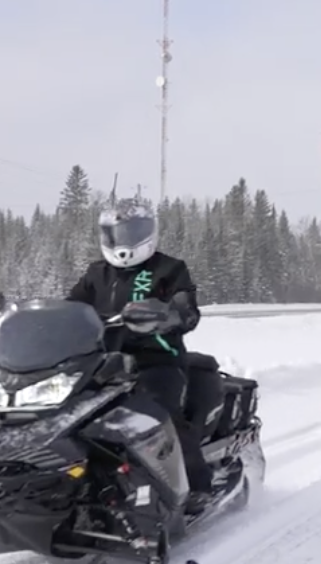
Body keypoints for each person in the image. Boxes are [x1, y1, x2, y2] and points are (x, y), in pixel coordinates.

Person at [66, 198, 215, 507]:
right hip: (101, 364)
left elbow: (187, 311)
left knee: (161, 414)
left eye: (132, 232)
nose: (124, 241)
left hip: (156, 361)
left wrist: (169, 313)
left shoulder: (169, 269)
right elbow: (70, 307)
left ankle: (197, 484)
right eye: (116, 233)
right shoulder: (96, 273)